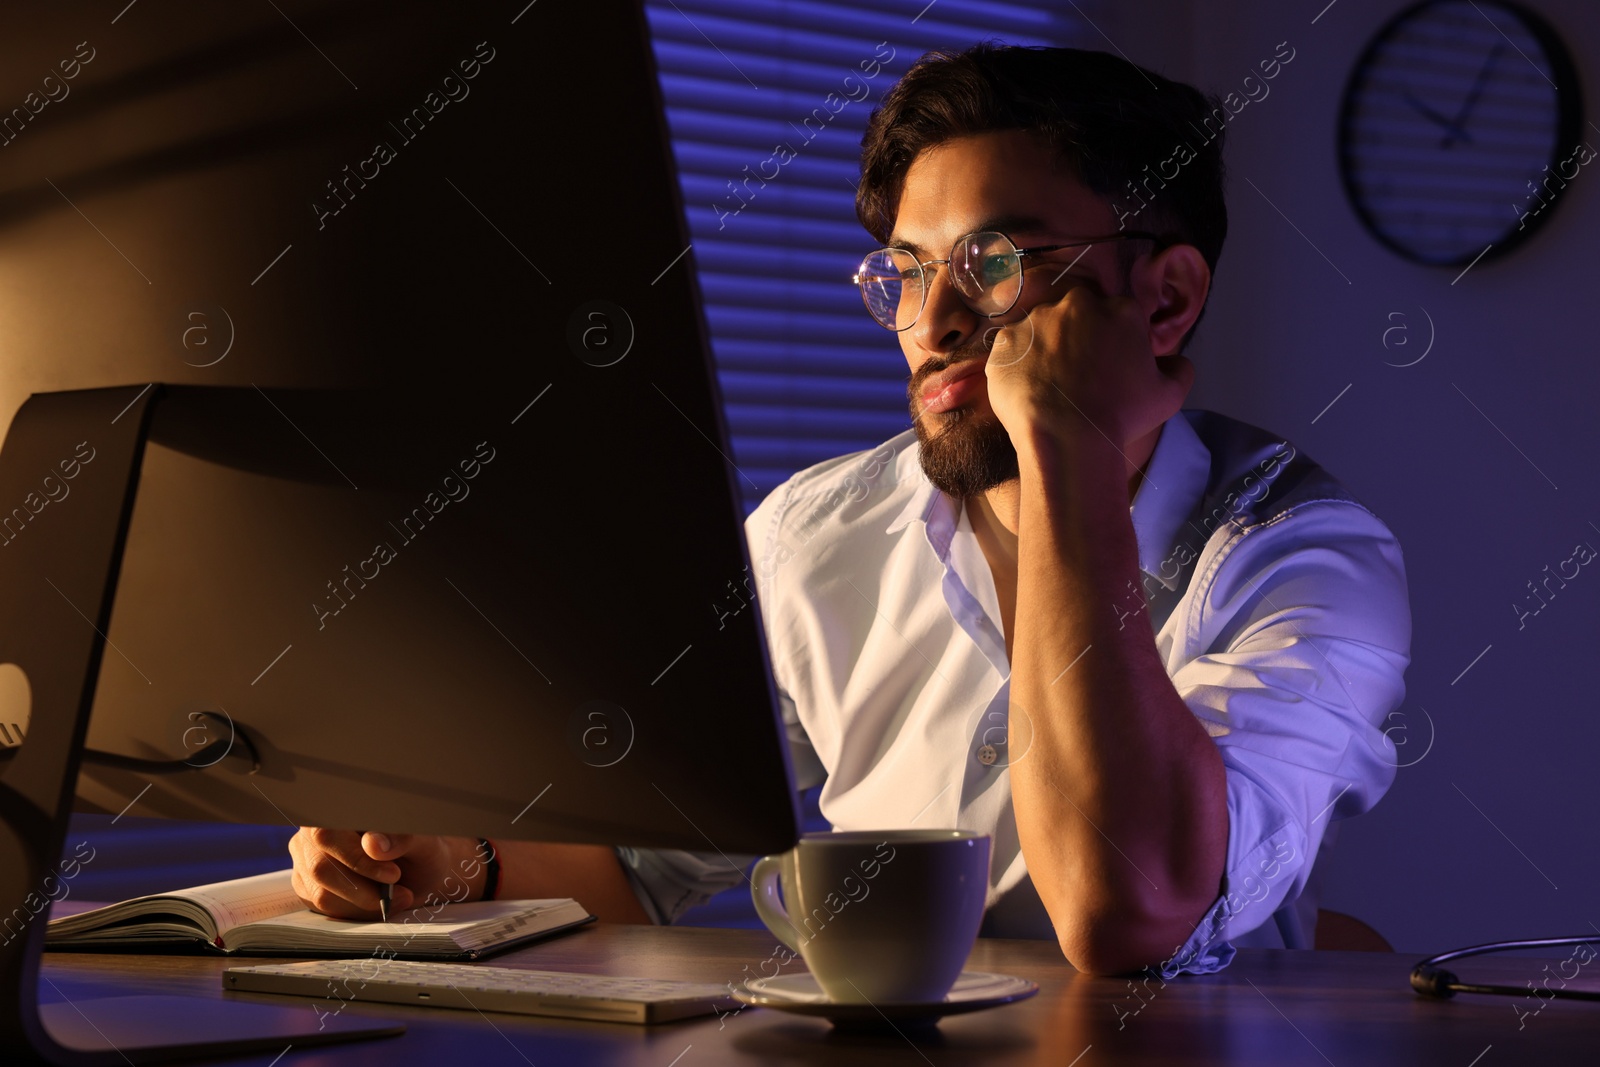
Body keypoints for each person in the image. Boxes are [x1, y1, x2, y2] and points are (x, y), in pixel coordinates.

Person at [288, 43, 1410, 978]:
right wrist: (446, 863)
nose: (933, 319)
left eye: (997, 259)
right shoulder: (812, 534)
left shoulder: (1303, 556)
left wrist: (1062, 450)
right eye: (907, 271)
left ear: (1163, 297)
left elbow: (1128, 913)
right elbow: (643, 869)